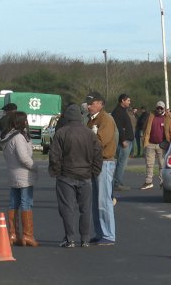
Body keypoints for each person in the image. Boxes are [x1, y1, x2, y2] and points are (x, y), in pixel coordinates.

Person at [49, 104, 103, 248]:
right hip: (85, 175)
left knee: (67, 208)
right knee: (85, 209)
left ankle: (70, 238)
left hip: (66, 176)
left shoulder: (61, 133)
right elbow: (98, 154)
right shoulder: (89, 133)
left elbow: (54, 156)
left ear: (67, 117)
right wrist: (94, 172)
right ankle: (85, 239)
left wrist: (56, 172)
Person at [0, 111, 40, 247]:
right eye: (25, 120)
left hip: (13, 173)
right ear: (21, 122)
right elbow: (23, 157)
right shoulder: (19, 137)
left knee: (13, 203)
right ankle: (27, 235)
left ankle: (13, 234)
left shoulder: (8, 136)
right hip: (24, 175)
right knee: (26, 203)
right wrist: (34, 166)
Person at [86, 91, 117, 246]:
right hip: (95, 163)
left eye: (91, 103)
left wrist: (84, 145)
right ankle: (100, 233)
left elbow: (100, 141)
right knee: (96, 201)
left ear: (100, 103)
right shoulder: (91, 120)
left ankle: (108, 234)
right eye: (88, 103)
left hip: (104, 162)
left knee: (104, 201)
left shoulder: (106, 119)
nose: (88, 106)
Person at [141, 101, 171, 190]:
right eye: (158, 108)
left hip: (162, 144)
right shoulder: (151, 116)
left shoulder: (168, 118)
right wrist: (145, 140)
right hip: (150, 143)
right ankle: (148, 181)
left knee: (162, 164)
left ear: (164, 109)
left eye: (161, 108)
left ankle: (162, 181)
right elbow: (145, 128)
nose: (159, 110)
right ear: (155, 108)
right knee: (149, 163)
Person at [111, 94, 134, 191]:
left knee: (123, 163)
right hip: (123, 142)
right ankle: (117, 183)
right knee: (121, 162)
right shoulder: (118, 112)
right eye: (128, 100)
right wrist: (123, 140)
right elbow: (118, 127)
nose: (129, 102)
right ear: (122, 101)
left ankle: (118, 181)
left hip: (128, 140)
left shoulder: (123, 111)